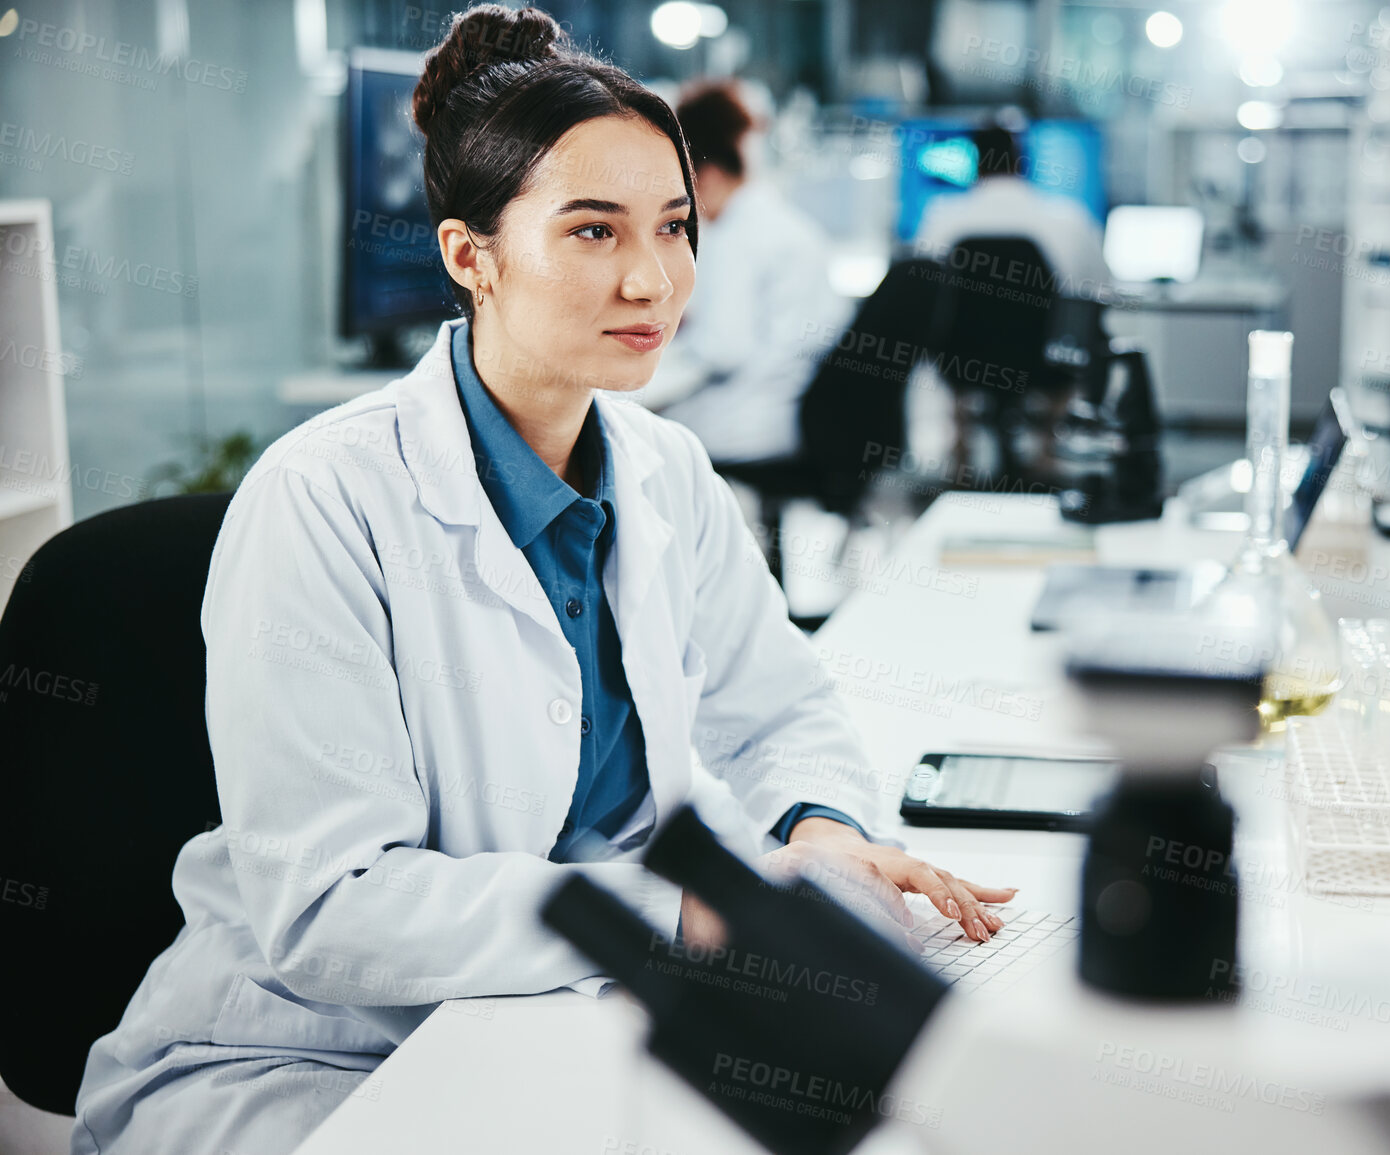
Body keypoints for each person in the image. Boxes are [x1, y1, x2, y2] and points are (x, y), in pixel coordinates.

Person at [70, 9, 1011, 1154]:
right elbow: (329, 907)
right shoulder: (324, 500)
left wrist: (813, 830)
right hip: (308, 1054)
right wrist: (684, 909)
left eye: (674, 226)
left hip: (559, 1011)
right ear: (471, 256)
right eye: (593, 233)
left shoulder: (666, 471)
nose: (654, 279)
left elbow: (782, 712)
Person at [635, 81, 850, 464]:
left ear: (710, 175)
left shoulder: (738, 233)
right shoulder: (777, 221)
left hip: (753, 420)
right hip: (796, 409)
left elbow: (724, 347)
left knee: (633, 432)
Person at [913, 120, 1112, 295]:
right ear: (1019, 163)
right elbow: (1102, 293)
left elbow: (920, 293)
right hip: (1045, 338)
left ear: (976, 165)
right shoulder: (1072, 220)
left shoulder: (940, 219)